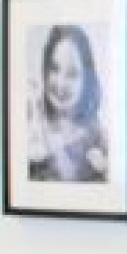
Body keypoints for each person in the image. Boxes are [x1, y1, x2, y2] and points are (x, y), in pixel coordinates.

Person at [28, 24, 107, 183]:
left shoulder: (97, 136)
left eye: (72, 74)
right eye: (54, 68)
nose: (60, 83)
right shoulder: (30, 120)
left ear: (87, 80)